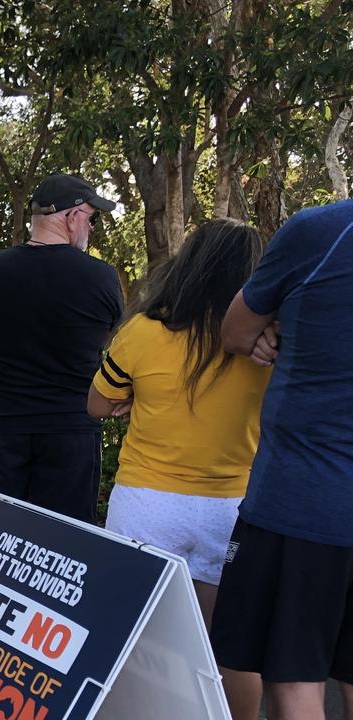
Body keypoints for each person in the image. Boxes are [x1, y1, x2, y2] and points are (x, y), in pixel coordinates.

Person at [86, 218, 267, 720]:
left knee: (130, 633)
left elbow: (98, 405)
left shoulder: (143, 332)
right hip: (230, 507)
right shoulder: (268, 346)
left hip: (147, 502)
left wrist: (132, 399)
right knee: (227, 646)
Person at [211, 198, 353, 720]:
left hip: (304, 502)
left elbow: (236, 332)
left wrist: (278, 329)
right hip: (312, 500)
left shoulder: (323, 230)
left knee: (294, 678)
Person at [0, 174, 122, 523]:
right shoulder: (101, 276)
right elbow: (110, 339)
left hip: (0, 430)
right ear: (71, 216)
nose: (91, 228)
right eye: (90, 219)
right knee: (61, 546)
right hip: (70, 432)